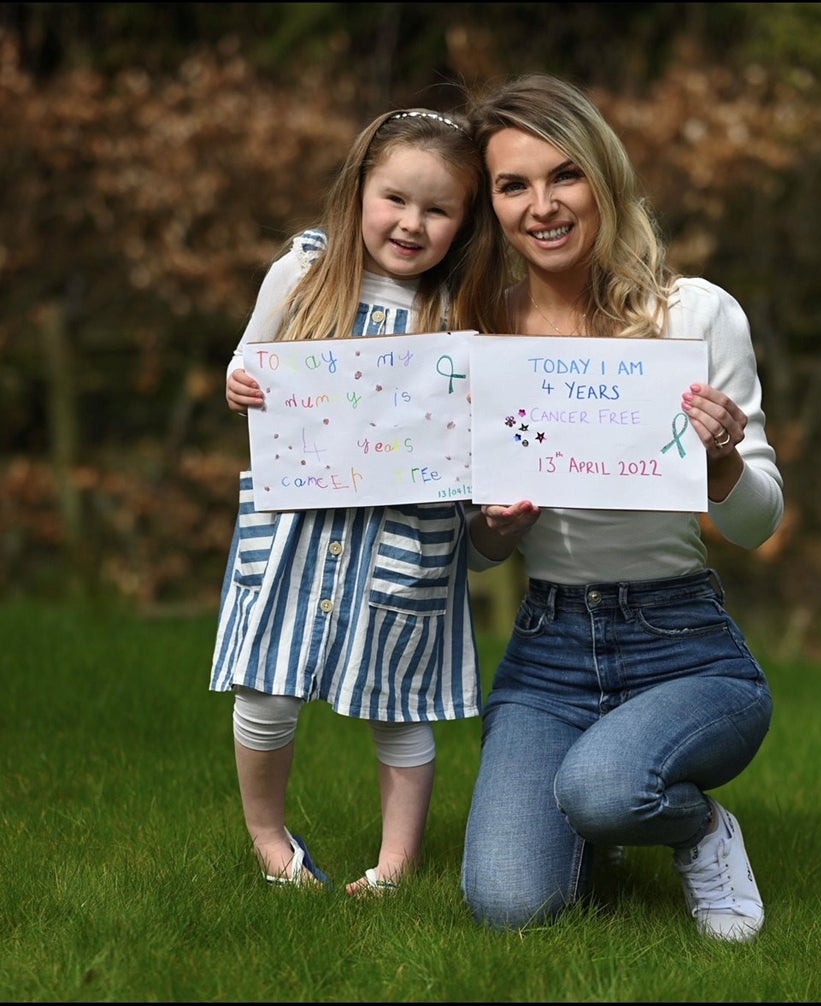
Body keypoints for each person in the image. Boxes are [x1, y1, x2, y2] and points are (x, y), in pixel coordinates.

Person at [455, 74, 784, 942]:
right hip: (548, 651)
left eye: (564, 176)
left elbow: (760, 523)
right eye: (512, 185)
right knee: (509, 907)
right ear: (490, 203)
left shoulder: (694, 313)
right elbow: (479, 553)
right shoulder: (481, 329)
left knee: (602, 789)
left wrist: (720, 467)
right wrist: (492, 530)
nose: (542, 206)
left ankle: (698, 828)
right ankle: (599, 810)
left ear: (604, 177)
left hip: (684, 646)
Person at [210, 107, 485, 895]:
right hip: (297, 522)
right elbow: (246, 366)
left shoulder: (462, 304)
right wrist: (240, 384)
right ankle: (269, 840)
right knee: (269, 681)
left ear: (464, 221)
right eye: (395, 198)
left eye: (438, 209)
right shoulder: (301, 273)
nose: (411, 223)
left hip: (406, 530)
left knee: (398, 697)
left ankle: (395, 867)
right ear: (360, 188)